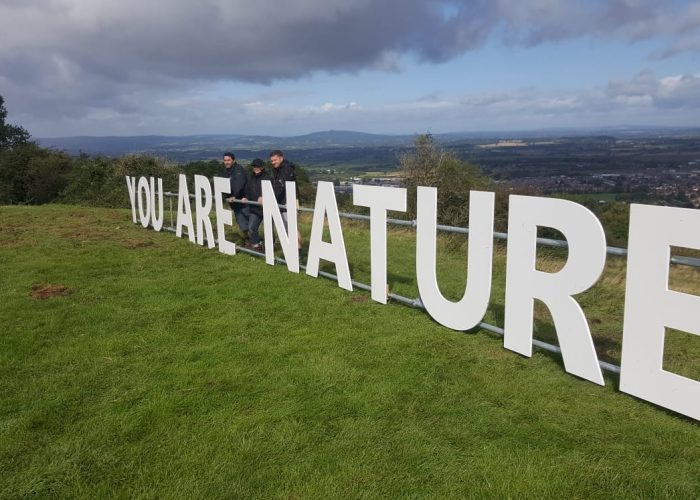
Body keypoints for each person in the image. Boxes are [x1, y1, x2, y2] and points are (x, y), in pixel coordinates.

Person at [222, 152, 249, 242]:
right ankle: (249, 240)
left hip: (242, 201)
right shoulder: (227, 171)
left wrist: (234, 196)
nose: (226, 162)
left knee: (244, 222)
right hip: (235, 203)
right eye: (225, 160)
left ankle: (253, 242)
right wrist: (224, 196)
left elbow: (239, 185)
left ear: (233, 160)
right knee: (242, 223)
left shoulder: (238, 170)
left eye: (229, 160)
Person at [243, 158, 269, 251]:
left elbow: (272, 190)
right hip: (255, 208)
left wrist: (263, 196)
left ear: (262, 167)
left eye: (258, 166)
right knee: (251, 227)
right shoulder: (250, 178)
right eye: (254, 166)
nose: (256, 168)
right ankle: (256, 245)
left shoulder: (267, 177)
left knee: (270, 230)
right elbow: (247, 190)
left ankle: (271, 247)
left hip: (267, 208)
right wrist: (245, 197)